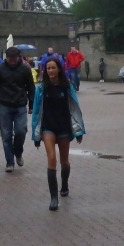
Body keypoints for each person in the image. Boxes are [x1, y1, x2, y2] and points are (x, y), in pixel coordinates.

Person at [32, 57, 86, 211]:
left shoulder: (67, 87)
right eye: (48, 68)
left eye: (53, 68)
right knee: (51, 158)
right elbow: (36, 112)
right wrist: (36, 136)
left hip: (64, 127)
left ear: (59, 69)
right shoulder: (41, 88)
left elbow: (75, 109)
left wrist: (79, 131)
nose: (50, 71)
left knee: (64, 161)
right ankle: (53, 198)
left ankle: (65, 184)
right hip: (48, 127)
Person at [0, 45, 34, 173]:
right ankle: (10, 162)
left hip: (20, 105)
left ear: (19, 57)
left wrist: (31, 104)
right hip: (4, 105)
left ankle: (18, 152)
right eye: (10, 58)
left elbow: (31, 87)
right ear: (6, 58)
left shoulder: (25, 69)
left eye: (14, 58)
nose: (12, 61)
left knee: (21, 131)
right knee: (6, 135)